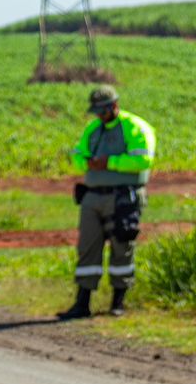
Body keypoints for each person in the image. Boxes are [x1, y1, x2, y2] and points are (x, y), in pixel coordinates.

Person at [58, 85, 156, 320]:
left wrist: (110, 162)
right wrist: (87, 163)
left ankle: (117, 303)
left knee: (122, 246)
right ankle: (82, 303)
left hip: (123, 196)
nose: (99, 116)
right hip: (92, 195)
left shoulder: (135, 127)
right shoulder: (93, 129)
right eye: (97, 112)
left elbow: (143, 160)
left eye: (103, 111)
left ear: (114, 106)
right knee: (87, 247)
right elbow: (77, 155)